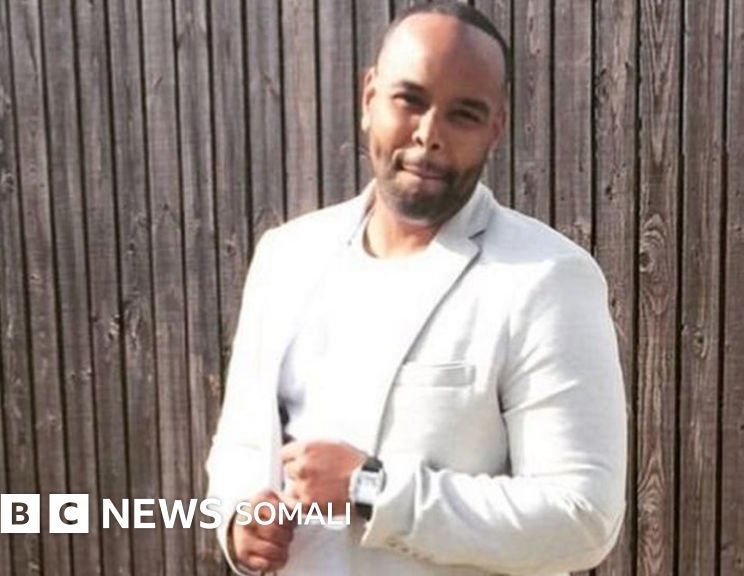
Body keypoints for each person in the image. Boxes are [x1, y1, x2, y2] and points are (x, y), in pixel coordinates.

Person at [205, 2, 627, 574]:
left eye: (464, 114)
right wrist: (237, 519)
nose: (429, 135)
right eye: (410, 100)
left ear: (495, 128)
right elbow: (241, 442)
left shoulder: (545, 278)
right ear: (369, 97)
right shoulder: (287, 256)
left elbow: (581, 519)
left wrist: (371, 489)